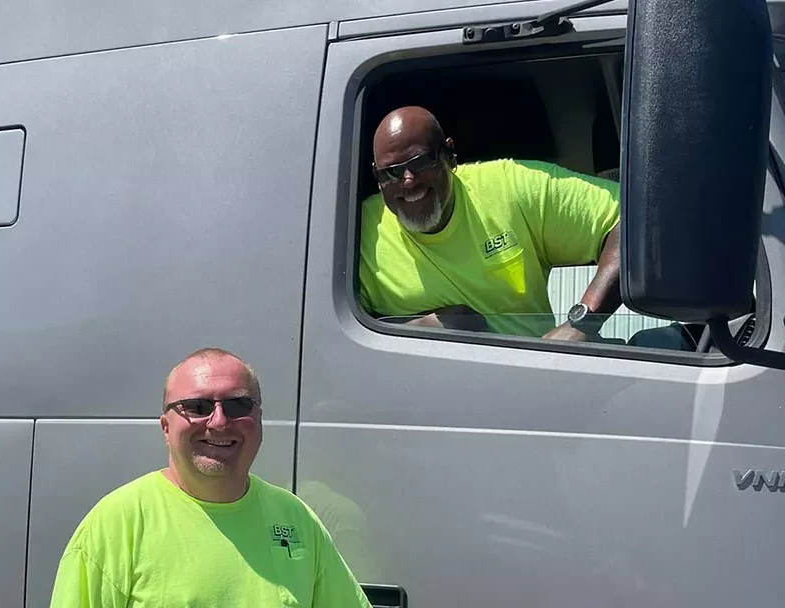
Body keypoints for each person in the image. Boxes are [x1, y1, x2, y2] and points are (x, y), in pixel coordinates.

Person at [48, 347, 373, 608]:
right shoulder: (117, 523)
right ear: (165, 427)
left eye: (237, 405)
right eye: (197, 406)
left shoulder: (296, 519)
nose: (218, 421)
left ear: (258, 420)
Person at [359, 105, 622, 341]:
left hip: (534, 377)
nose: (408, 180)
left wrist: (582, 323)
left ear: (449, 155)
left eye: (420, 162)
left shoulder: (510, 188)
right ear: (377, 177)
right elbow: (329, 332)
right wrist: (421, 328)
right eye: (392, 171)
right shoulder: (356, 235)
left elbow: (635, 218)